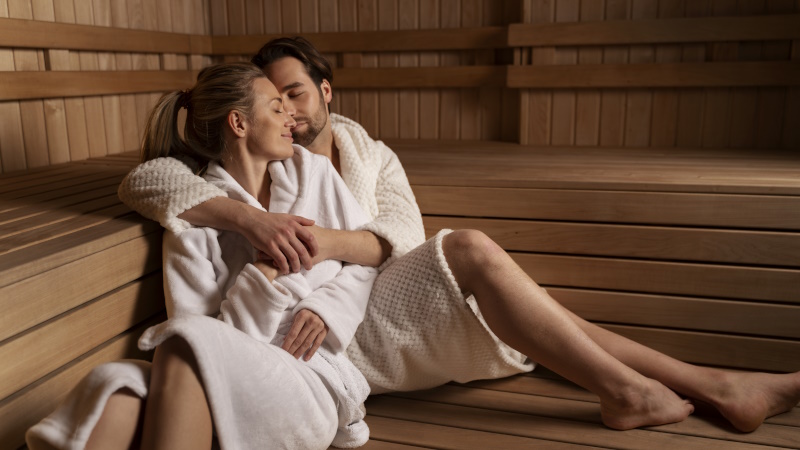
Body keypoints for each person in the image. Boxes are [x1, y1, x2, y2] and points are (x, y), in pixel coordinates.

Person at [118, 37, 800, 433]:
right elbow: (149, 182)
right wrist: (249, 218)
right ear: (248, 114)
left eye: (296, 92)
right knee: (474, 255)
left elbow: (399, 234)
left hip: (359, 301)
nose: (290, 110)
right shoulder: (243, 171)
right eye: (276, 98)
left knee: (492, 276)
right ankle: (683, 387)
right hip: (334, 334)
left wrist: (324, 246)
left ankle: (700, 385)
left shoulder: (366, 155)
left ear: (327, 91)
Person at [27, 62, 378, 450]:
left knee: (179, 342)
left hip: (308, 374)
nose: (289, 116)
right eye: (276, 108)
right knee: (118, 386)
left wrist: (327, 309)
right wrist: (263, 274)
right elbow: (203, 331)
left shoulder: (315, 173)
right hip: (233, 369)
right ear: (239, 123)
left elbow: (364, 258)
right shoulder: (190, 218)